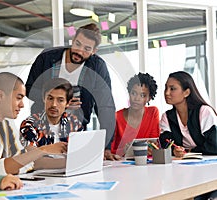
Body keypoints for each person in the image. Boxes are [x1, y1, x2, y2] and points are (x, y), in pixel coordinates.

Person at [25, 23, 116, 160]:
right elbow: (31, 88)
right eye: (77, 44)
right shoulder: (47, 58)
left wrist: (106, 147)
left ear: (94, 51)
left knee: (74, 167)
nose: (79, 52)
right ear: (72, 40)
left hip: (75, 131)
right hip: (42, 128)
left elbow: (105, 107)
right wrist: (59, 101)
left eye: (86, 49)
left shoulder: (97, 67)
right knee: (42, 167)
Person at [159, 71, 217, 200]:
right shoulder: (167, 117)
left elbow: (214, 145)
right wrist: (174, 150)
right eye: (166, 88)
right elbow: (165, 144)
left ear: (186, 92)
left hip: (212, 170)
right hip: (185, 172)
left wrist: (190, 151)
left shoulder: (204, 111)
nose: (167, 93)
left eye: (172, 89)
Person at [20, 78, 83, 147]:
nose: (54, 104)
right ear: (44, 98)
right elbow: (31, 155)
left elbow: (80, 151)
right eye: (50, 98)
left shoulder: (74, 122)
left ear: (68, 103)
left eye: (60, 100)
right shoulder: (30, 125)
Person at [111, 72, 160, 156]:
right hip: (123, 165)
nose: (137, 98)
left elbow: (154, 143)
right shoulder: (116, 117)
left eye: (142, 95)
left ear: (149, 98)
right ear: (129, 93)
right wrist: (125, 150)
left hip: (147, 163)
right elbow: (110, 151)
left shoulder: (153, 112)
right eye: (133, 93)